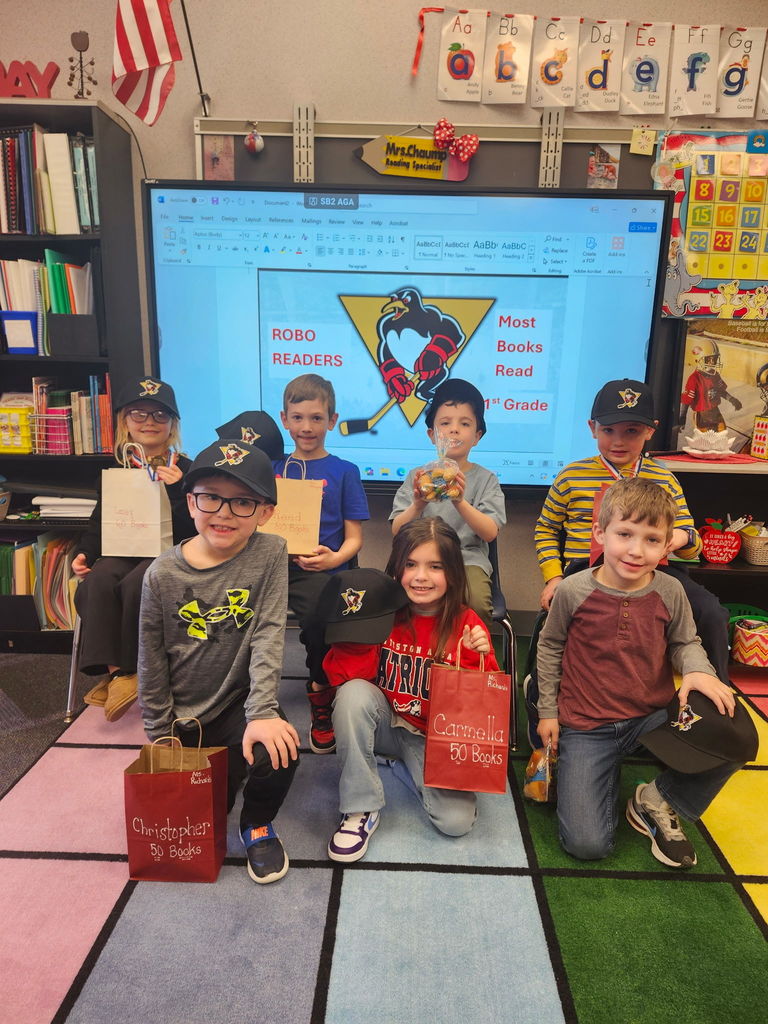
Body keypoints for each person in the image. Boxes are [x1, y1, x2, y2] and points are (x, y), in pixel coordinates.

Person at [536, 478, 745, 870]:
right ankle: (590, 772)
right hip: (586, 723)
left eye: (651, 539)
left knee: (733, 731)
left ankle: (657, 797)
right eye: (624, 534)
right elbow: (550, 647)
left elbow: (686, 642)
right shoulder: (573, 590)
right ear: (600, 533)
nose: (635, 550)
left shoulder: (670, 591)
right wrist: (548, 710)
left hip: (651, 718)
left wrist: (699, 671)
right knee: (587, 845)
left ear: (668, 545)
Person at [137, 439, 299, 885]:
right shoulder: (161, 575)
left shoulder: (270, 552)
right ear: (190, 502)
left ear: (265, 511)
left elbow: (268, 633)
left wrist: (263, 711)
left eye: (243, 502)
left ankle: (258, 825)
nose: (224, 513)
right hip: (183, 717)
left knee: (279, 750)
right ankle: (222, 780)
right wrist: (159, 734)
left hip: (238, 700)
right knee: (200, 810)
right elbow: (150, 660)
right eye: (211, 497)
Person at [323, 519, 499, 863]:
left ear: (453, 573)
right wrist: (356, 637)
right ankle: (361, 808)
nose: (421, 577)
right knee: (352, 695)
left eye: (435, 566)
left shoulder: (468, 624)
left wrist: (476, 662)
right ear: (396, 568)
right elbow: (344, 679)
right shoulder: (382, 614)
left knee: (455, 823)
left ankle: (402, 766)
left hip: (432, 737)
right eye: (410, 564)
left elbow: (483, 709)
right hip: (385, 722)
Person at [534, 377, 730, 683]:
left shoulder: (663, 478)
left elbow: (693, 540)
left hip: (654, 571)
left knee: (712, 613)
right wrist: (554, 577)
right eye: (608, 430)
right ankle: (543, 694)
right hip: (585, 570)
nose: (618, 441)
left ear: (650, 429)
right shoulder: (571, 476)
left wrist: (678, 537)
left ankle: (715, 693)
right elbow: (546, 528)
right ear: (592, 428)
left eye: (632, 431)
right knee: (552, 623)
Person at [72, 377, 195, 721]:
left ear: (173, 425)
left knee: (140, 581)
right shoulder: (116, 470)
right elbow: (100, 522)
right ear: (125, 421)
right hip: (123, 550)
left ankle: (126, 674)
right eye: (139, 414)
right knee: (97, 579)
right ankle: (119, 675)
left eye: (159, 415)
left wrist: (178, 490)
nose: (149, 422)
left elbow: (198, 529)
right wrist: (84, 554)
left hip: (171, 554)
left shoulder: (189, 469)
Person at [272, 373, 369, 755]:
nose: (306, 427)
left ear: (332, 419)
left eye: (316, 417)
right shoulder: (273, 469)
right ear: (284, 419)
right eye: (297, 418)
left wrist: (333, 558)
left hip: (323, 568)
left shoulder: (344, 471)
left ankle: (319, 692)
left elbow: (355, 538)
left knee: (317, 618)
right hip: (274, 568)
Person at [390, 378, 506, 624]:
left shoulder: (486, 479)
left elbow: (489, 533)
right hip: (419, 559)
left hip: (466, 560)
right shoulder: (417, 477)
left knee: (475, 603)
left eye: (464, 424)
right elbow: (397, 531)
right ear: (432, 434)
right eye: (445, 423)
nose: (454, 430)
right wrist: (418, 504)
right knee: (392, 602)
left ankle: (465, 658)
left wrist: (460, 501)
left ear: (477, 436)